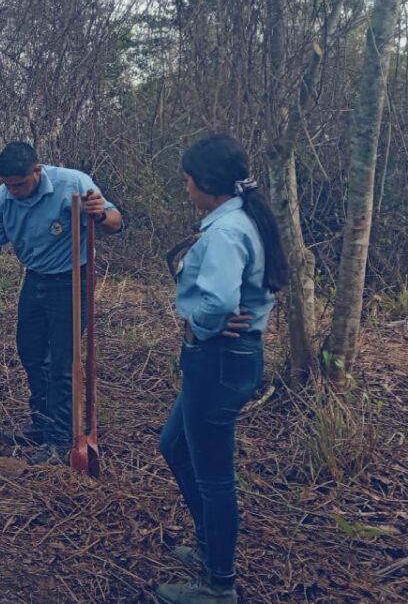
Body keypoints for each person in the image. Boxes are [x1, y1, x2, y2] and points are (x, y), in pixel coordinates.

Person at [154, 135, 287, 604]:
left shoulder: (228, 231)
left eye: (188, 181)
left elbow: (219, 301)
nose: (186, 189)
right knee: (174, 445)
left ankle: (218, 584)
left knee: (214, 475)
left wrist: (197, 325)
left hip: (220, 359)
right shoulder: (237, 217)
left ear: (208, 184)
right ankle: (211, 544)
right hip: (223, 358)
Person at [0, 142, 122, 463]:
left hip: (73, 279)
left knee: (63, 361)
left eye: (19, 184)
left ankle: (61, 439)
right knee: (31, 351)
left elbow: (115, 223)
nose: (13, 191)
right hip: (35, 278)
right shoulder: (0, 200)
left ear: (37, 170)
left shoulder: (73, 183)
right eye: (7, 184)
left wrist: (100, 213)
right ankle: (42, 423)